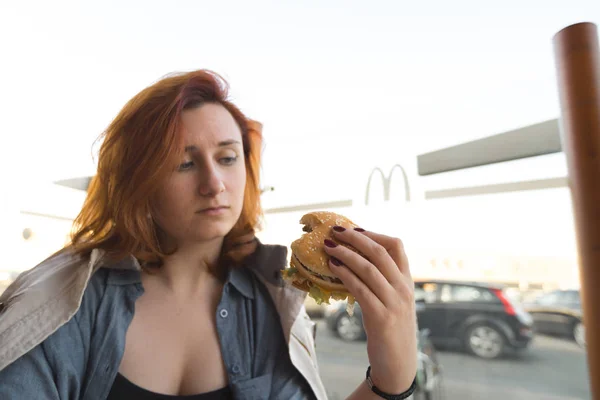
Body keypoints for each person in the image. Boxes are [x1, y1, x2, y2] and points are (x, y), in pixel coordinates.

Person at [0, 70, 417, 399]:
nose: (214, 183)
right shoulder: (62, 304)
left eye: (227, 157)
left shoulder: (273, 302)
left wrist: (392, 377)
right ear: (138, 183)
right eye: (184, 163)